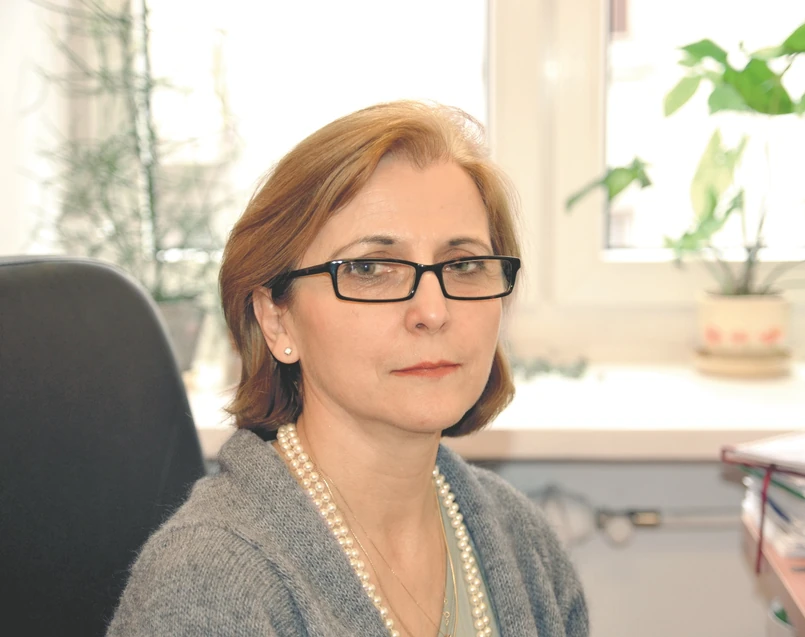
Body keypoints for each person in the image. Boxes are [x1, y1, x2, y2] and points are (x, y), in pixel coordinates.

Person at [107, 101, 588, 637]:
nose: (433, 311)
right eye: (369, 268)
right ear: (276, 319)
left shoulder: (522, 541)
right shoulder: (209, 587)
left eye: (464, 265)